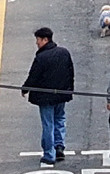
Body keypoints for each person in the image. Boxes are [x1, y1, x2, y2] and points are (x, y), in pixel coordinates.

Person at [22, 26, 74, 165]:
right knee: (60, 119)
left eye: (38, 40)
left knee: (48, 124)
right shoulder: (64, 53)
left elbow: (34, 76)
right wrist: (69, 90)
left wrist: (25, 88)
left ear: (45, 39)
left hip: (45, 97)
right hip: (61, 94)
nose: (37, 43)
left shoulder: (41, 57)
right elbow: (70, 72)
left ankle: (49, 154)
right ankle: (59, 146)